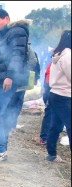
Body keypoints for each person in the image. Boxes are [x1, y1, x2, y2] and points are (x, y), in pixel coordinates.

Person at [0, 8, 30, 163]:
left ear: (7, 18)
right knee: (1, 116)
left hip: (9, 81)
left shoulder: (16, 31)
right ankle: (0, 147)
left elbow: (17, 55)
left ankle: (0, 150)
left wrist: (10, 76)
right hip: (2, 82)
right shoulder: (4, 36)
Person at [44, 30, 70, 163]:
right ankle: (52, 154)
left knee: (55, 125)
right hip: (65, 95)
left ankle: (52, 154)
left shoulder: (58, 54)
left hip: (54, 93)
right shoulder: (68, 55)